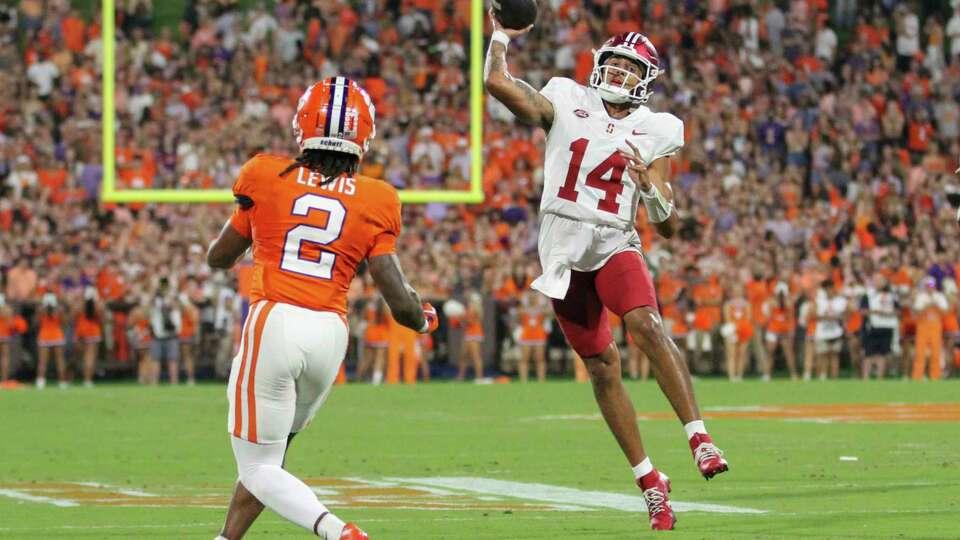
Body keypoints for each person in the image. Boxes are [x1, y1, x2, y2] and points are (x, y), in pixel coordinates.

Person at [484, 16, 727, 530]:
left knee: (646, 323)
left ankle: (699, 435)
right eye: (612, 61)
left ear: (646, 77)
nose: (617, 71)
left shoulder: (659, 128)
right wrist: (502, 36)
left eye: (628, 66)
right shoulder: (565, 98)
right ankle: (649, 481)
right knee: (601, 367)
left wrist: (652, 188)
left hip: (614, 238)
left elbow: (669, 225)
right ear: (597, 65)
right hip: (562, 252)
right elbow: (497, 84)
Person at [206, 76, 438, 540]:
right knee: (271, 461)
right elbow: (398, 296)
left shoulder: (264, 175)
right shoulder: (378, 197)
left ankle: (338, 532)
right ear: (364, 136)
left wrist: (256, 224)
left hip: (276, 320)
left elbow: (219, 258)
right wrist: (423, 317)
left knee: (257, 467)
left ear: (302, 125)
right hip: (330, 334)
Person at [36, 292, 68, 389]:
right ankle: (62, 382)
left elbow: (36, 322)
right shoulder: (58, 310)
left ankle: (40, 382)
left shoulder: (41, 310)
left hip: (45, 336)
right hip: (56, 336)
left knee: (42, 361)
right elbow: (65, 323)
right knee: (60, 360)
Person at [516, 289, 548, 382]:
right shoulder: (522, 309)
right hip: (526, 336)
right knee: (524, 358)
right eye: (530, 296)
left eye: (534, 296)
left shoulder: (541, 308)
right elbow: (519, 318)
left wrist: (542, 304)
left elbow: (548, 314)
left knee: (540, 359)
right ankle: (523, 380)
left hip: (539, 335)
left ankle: (541, 380)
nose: (532, 298)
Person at [74, 287, 104, 388]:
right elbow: (102, 319)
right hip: (93, 333)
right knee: (90, 358)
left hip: (81, 332)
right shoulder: (98, 306)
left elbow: (73, 316)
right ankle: (88, 380)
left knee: (84, 357)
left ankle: (85, 379)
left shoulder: (80, 305)